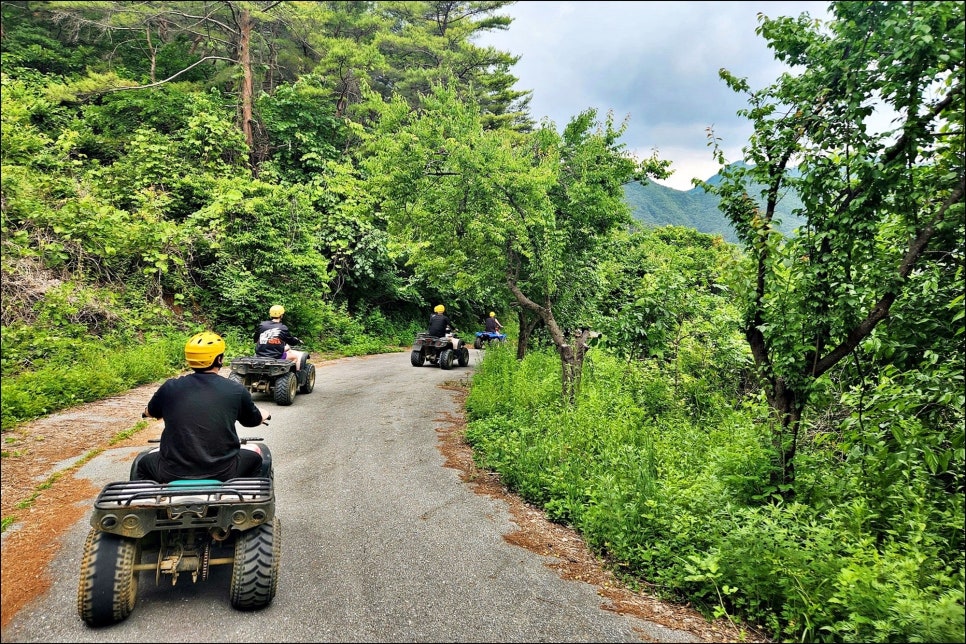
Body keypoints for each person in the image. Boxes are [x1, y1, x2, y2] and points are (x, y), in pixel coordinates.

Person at [136, 331, 268, 482]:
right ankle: (247, 502)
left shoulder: (169, 387)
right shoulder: (235, 390)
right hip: (225, 472)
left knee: (142, 464)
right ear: (219, 359)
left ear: (190, 360)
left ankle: (150, 502)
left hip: (171, 472)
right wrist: (263, 414)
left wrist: (146, 413)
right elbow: (251, 420)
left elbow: (151, 411)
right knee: (258, 459)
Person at [255, 304, 305, 371]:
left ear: (270, 314)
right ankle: (293, 375)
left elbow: (255, 339)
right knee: (295, 358)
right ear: (281, 315)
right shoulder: (283, 328)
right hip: (276, 356)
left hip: (259, 355)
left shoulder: (262, 325)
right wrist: (297, 340)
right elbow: (291, 341)